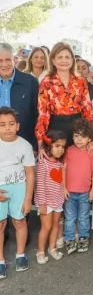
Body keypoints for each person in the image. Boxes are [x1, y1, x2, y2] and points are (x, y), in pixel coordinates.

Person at [35, 42, 93, 156]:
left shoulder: (81, 81)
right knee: (58, 169)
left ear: (72, 60)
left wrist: (90, 137)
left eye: (67, 57)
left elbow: (88, 110)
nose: (64, 60)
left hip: (78, 131)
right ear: (53, 60)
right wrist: (40, 141)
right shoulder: (46, 82)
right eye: (60, 57)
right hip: (55, 129)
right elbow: (43, 113)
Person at [0, 107, 35, 277]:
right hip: (0, 190)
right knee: (0, 225)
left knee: (19, 222)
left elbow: (30, 173)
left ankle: (20, 254)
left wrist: (28, 198)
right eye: (2, 124)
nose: (7, 128)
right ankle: (0, 260)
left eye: (11, 124)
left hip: (19, 189)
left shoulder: (24, 146)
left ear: (18, 126)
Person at [63, 119, 93, 254]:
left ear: (89, 138)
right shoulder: (69, 150)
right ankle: (69, 239)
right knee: (70, 217)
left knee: (83, 217)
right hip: (69, 192)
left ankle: (84, 237)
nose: (79, 139)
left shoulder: (91, 152)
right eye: (76, 136)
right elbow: (64, 169)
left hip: (85, 191)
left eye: (83, 137)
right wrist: (63, 187)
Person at [35, 130, 67, 264]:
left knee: (55, 225)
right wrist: (42, 204)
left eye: (63, 147)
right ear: (49, 145)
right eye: (57, 146)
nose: (61, 150)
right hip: (46, 202)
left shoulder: (60, 164)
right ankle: (40, 251)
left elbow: (61, 183)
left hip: (58, 200)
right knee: (46, 227)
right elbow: (40, 185)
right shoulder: (43, 163)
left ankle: (52, 248)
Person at [0, 43, 39, 150]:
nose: (4, 64)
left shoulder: (30, 82)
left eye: (8, 60)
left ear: (14, 59)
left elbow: (38, 115)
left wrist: (35, 145)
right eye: (0, 60)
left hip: (24, 145)